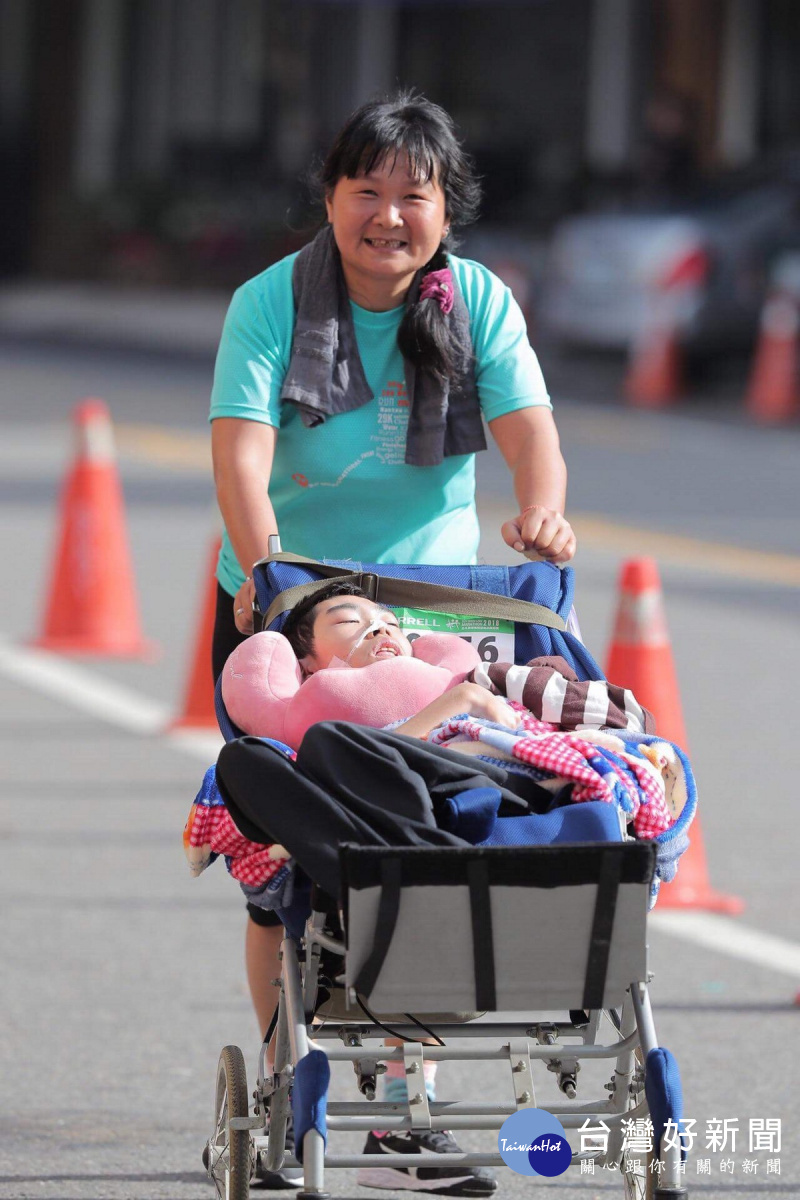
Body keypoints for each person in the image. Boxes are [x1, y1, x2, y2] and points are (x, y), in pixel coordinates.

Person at [210, 89, 576, 1192]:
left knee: (423, 852)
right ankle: (289, 1083)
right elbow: (238, 452)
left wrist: (544, 511)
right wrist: (267, 565)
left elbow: (530, 440)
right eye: (363, 190)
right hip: (285, 613)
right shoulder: (268, 304)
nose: (385, 215)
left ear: (442, 207)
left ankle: (406, 1110)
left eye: (409, 195)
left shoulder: (476, 302)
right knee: (280, 869)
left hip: (427, 619)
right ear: (328, 198)